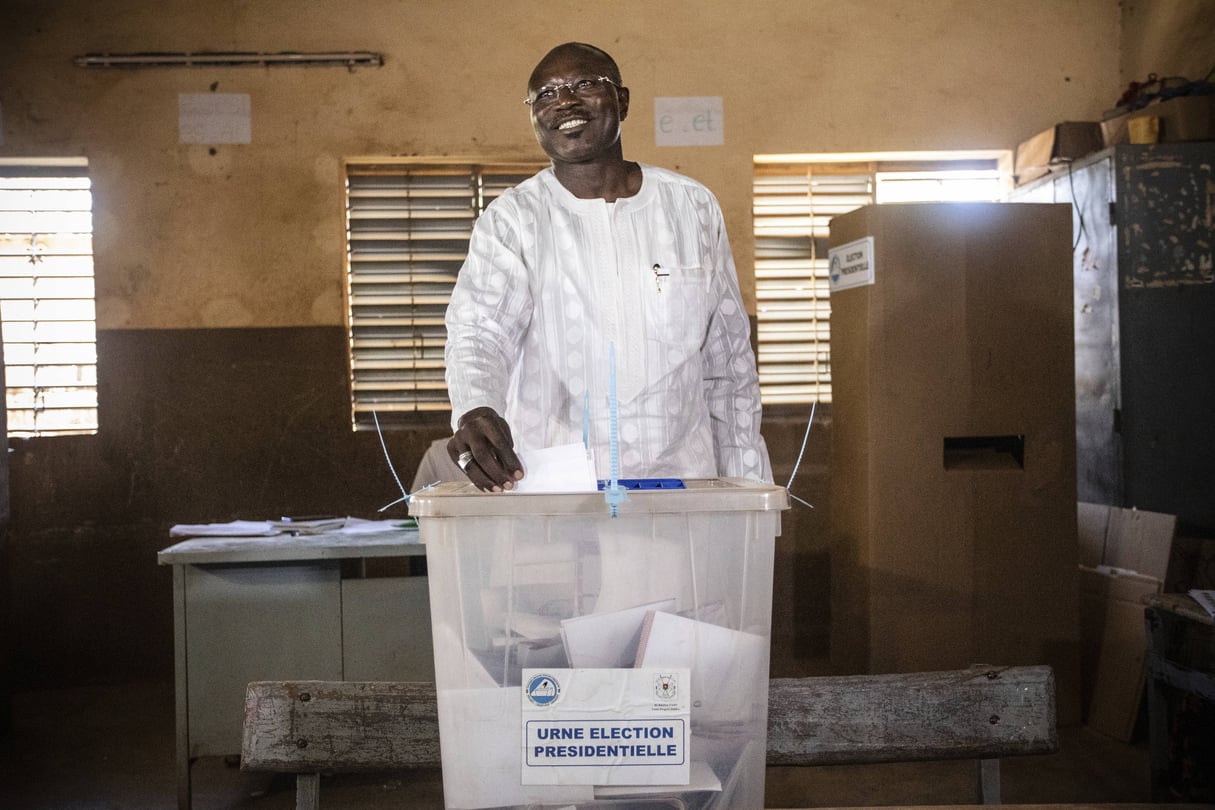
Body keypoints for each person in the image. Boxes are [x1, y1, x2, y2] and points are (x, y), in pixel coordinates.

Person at [445, 42, 770, 491]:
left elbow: (729, 367)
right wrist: (476, 406)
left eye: (584, 84)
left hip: (681, 490)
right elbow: (479, 333)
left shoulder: (691, 206)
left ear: (623, 100)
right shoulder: (512, 220)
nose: (564, 101)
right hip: (557, 490)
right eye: (545, 94)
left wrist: (747, 491)